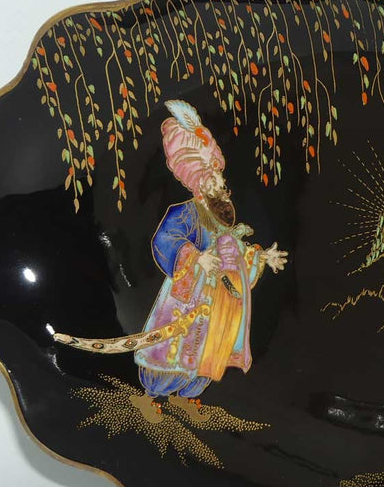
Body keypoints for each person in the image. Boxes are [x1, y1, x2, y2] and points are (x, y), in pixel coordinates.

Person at [53, 100, 287, 405]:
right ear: (202, 182)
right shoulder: (185, 212)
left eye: (222, 180)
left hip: (216, 299)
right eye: (217, 180)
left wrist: (262, 257)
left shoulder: (221, 221)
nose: (223, 185)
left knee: (207, 348)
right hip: (188, 295)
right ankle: (154, 395)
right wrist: (196, 257)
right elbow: (166, 239)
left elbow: (235, 250)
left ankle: (191, 397)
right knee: (174, 344)